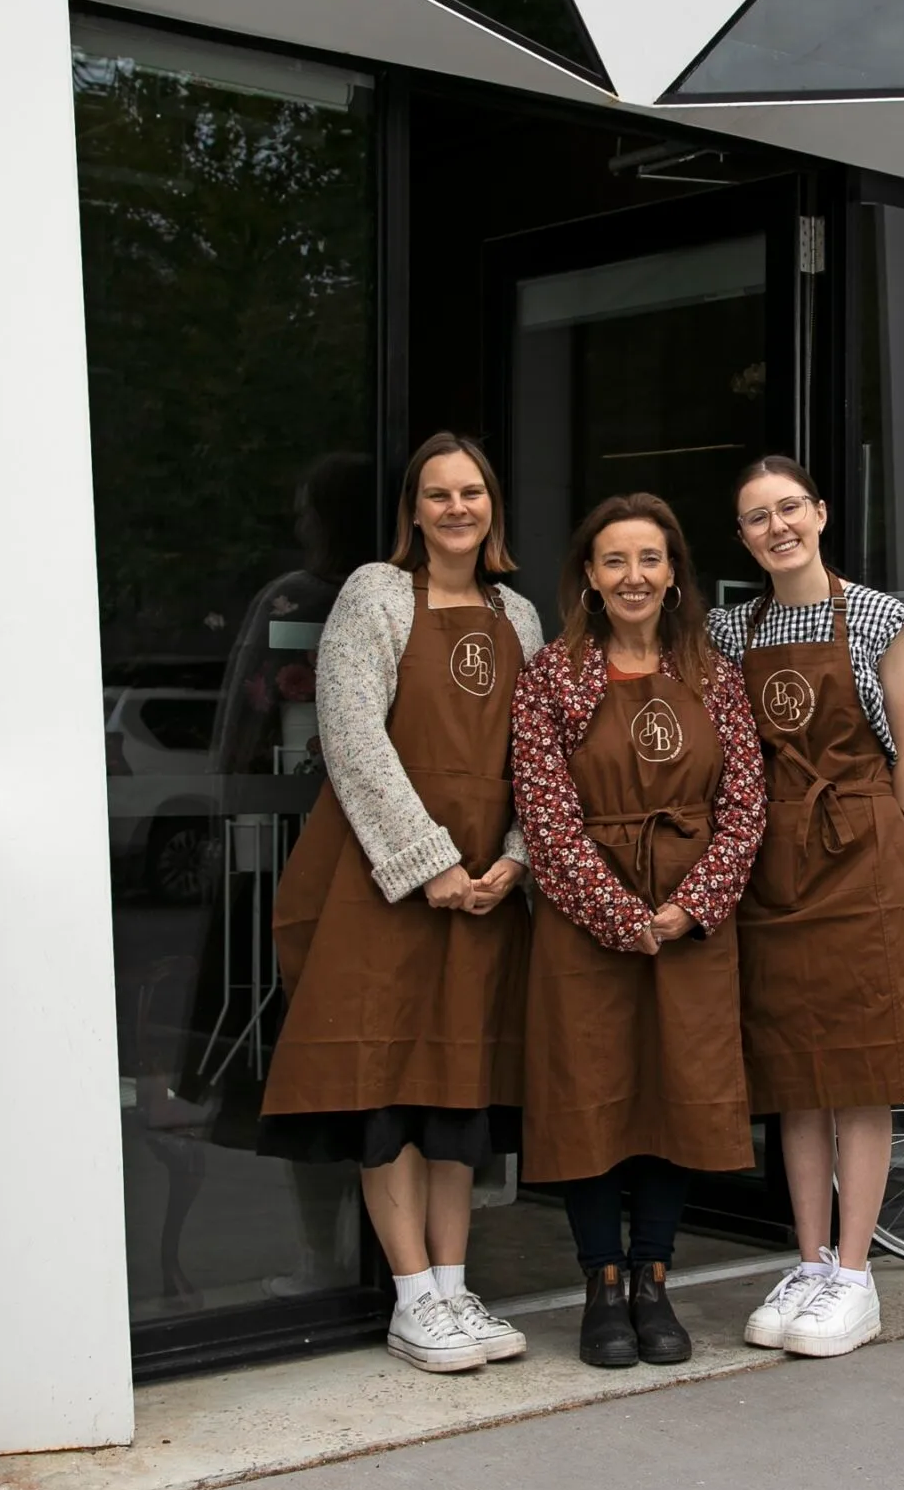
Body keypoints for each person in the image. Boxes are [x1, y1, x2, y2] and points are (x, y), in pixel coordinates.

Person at [259, 432, 541, 1374]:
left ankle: (456, 1290)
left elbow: (535, 762)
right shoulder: (375, 595)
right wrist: (430, 865)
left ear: (491, 506)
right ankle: (412, 1297)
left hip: (482, 895)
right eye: (437, 494)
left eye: (471, 492)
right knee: (383, 1085)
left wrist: (513, 858)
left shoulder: (522, 615)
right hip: (380, 886)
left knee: (456, 1092)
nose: (457, 508)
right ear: (412, 511)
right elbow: (351, 737)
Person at [512, 492, 766, 1369]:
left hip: (694, 923)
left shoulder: (712, 674)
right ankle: (602, 1285)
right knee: (592, 1098)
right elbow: (542, 816)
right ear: (588, 576)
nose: (633, 577)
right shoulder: (549, 676)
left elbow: (744, 803)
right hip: (587, 927)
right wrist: (621, 915)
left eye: (649, 560)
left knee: (678, 1095)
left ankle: (655, 1276)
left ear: (673, 574)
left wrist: (690, 907)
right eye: (615, 561)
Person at [708, 454, 904, 1358]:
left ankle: (854, 1274)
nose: (777, 528)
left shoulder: (882, 616)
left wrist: (876, 849)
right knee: (794, 1073)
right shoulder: (731, 630)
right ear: (742, 538)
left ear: (821, 511)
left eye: (789, 508)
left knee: (863, 1069)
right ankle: (807, 1263)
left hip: (863, 859)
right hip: (773, 864)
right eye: (757, 518)